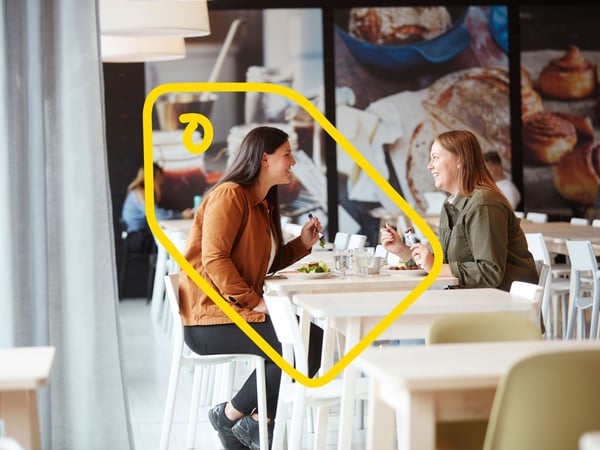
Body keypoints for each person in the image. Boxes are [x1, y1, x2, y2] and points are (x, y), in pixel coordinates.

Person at [177, 126, 324, 449]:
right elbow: (214, 259)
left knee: (307, 343)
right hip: (210, 318)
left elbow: (264, 263)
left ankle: (234, 417)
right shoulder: (230, 195)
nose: (293, 163)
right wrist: (255, 301)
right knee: (305, 345)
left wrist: (301, 244)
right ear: (264, 159)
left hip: (234, 312)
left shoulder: (262, 204)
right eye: (287, 155)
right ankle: (251, 422)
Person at [381, 130, 538, 291]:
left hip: (504, 306)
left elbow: (490, 273)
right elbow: (444, 263)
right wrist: (403, 251)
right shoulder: (450, 205)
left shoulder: (483, 203)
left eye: (435, 157)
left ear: (460, 160)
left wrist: (434, 265)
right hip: (473, 298)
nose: (429, 166)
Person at [120, 163, 194, 253]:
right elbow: (157, 215)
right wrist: (181, 215)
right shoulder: (140, 194)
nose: (161, 183)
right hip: (138, 239)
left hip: (135, 236)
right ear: (154, 178)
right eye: (160, 179)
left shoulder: (137, 191)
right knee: (171, 244)